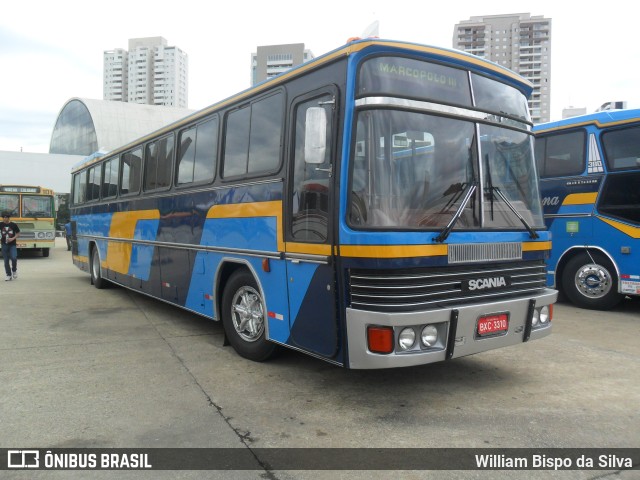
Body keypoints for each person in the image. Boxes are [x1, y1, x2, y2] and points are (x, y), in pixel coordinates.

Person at [1, 212, 20, 281]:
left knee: (14, 258)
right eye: (4, 217)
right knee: (6, 260)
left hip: (12, 244)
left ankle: (14, 270)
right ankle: (8, 275)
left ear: (9, 218)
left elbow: (18, 233)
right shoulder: (0, 224)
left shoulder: (13, 225)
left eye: (6, 217)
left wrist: (12, 238)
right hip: (4, 244)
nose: (5, 219)